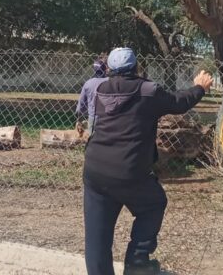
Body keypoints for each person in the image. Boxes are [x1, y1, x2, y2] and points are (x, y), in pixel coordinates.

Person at [83, 47, 213, 275]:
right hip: (129, 171)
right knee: (153, 204)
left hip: (95, 170)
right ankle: (137, 263)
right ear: (136, 67)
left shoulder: (102, 89)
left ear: (110, 69)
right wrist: (199, 87)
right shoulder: (148, 91)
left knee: (97, 235)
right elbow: (179, 102)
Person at [76, 59, 108, 136]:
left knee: (92, 138)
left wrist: (79, 119)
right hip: (109, 118)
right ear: (105, 69)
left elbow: (81, 106)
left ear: (94, 70)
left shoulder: (88, 83)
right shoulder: (111, 82)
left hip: (94, 118)